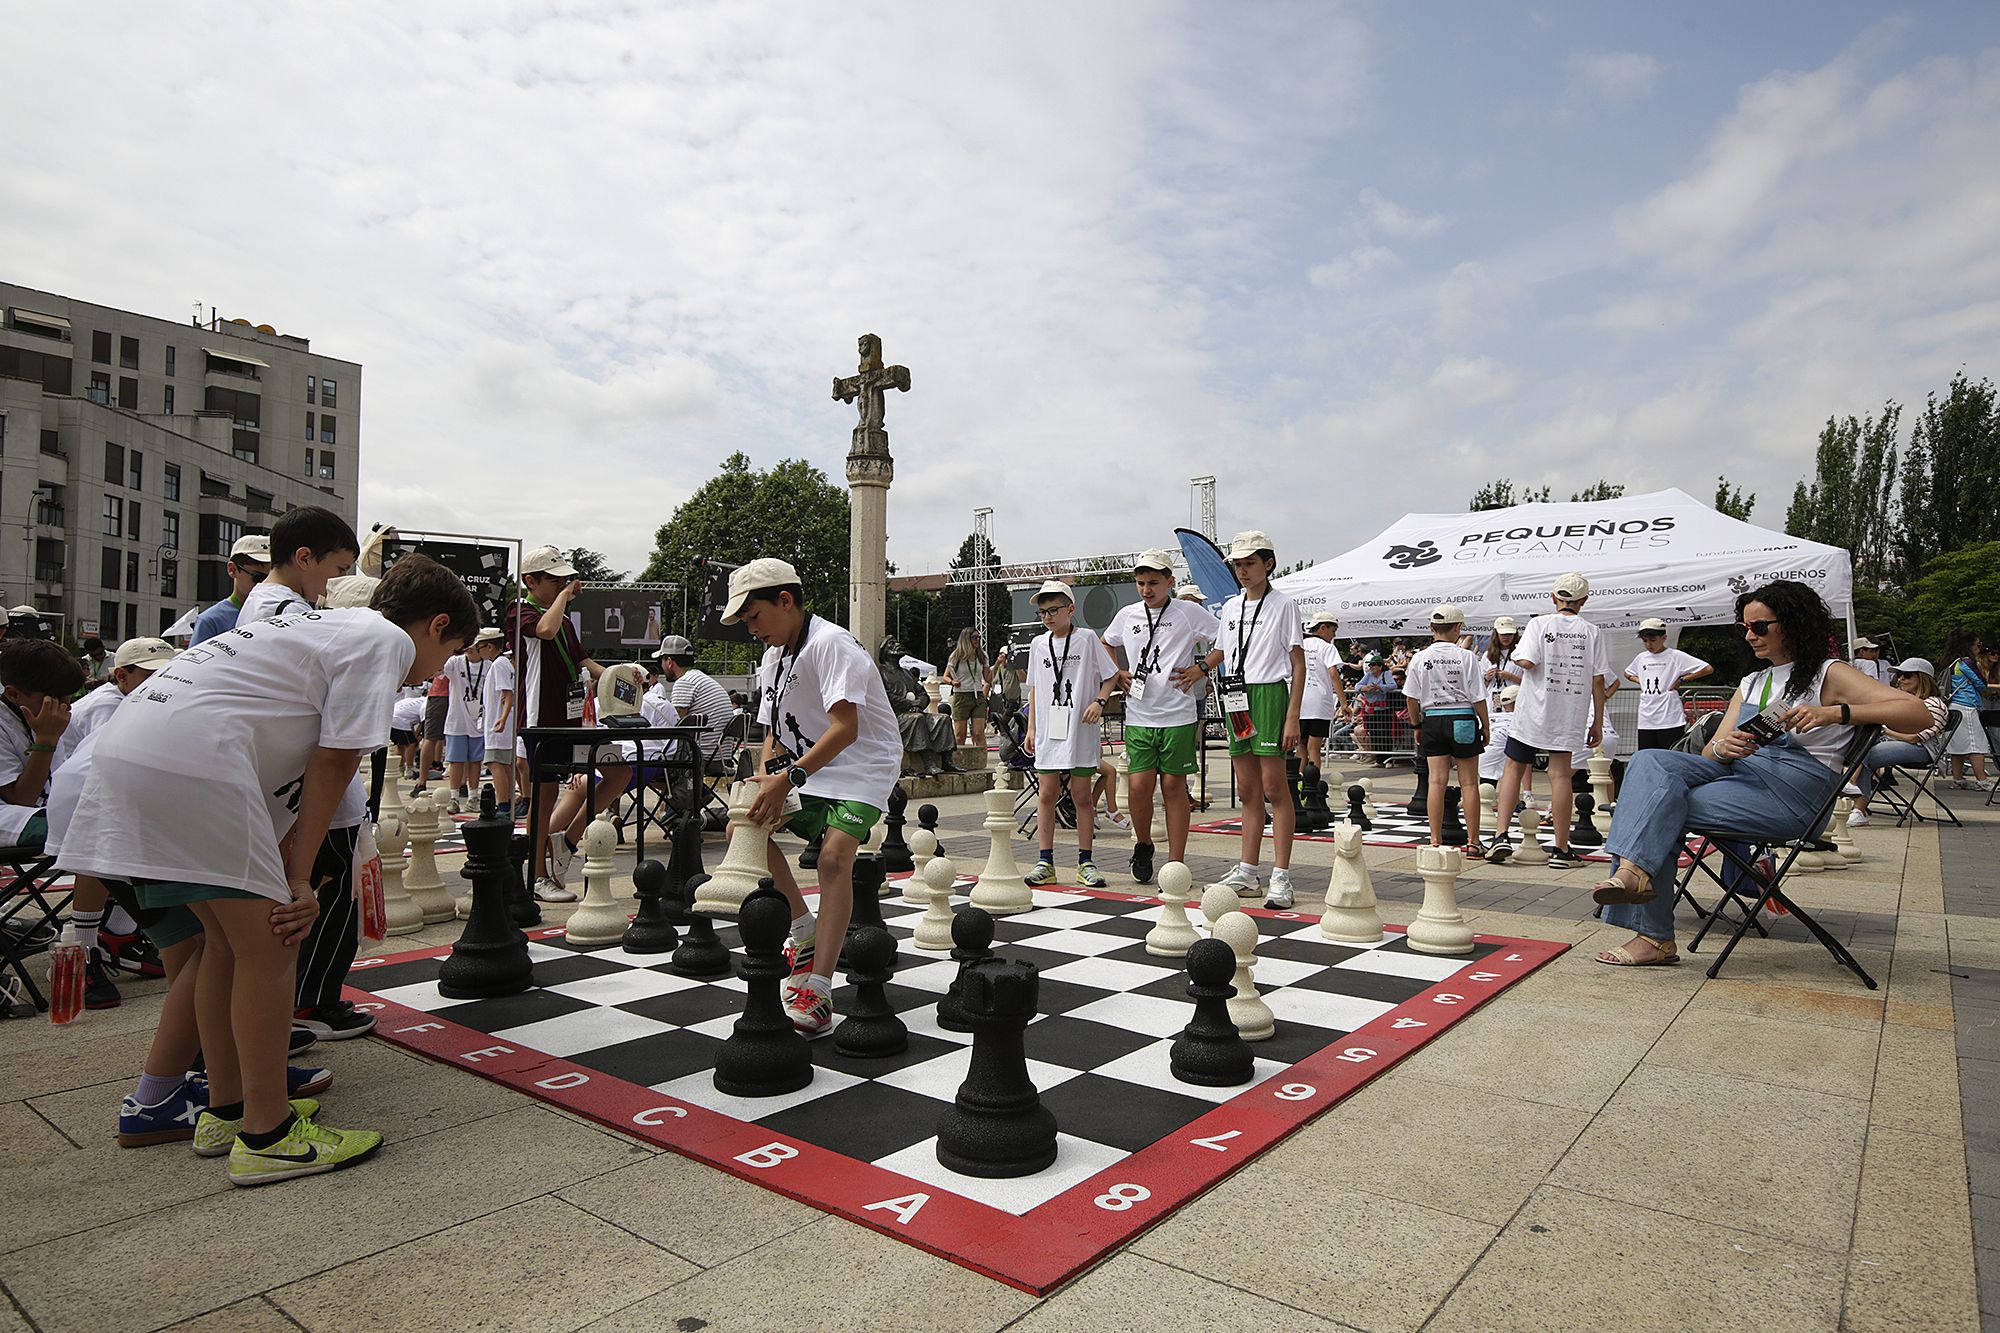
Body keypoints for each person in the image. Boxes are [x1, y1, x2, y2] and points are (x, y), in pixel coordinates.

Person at [63, 554, 476, 1181]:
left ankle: (228, 1107)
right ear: (435, 625)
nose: (433, 672)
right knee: (275, 941)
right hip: (195, 767)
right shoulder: (382, 638)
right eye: (449, 651)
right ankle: (269, 1134)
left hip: (135, 758)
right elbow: (335, 762)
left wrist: (291, 859)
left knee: (224, 948)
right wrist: (301, 877)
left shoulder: (319, 626)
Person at [1590, 578, 1930, 967]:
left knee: (1658, 808)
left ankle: (1650, 926)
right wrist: (1723, 746)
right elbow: (1710, 751)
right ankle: (1635, 874)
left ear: (1793, 624)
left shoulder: (1828, 673)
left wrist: (1833, 712)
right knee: (1648, 762)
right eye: (1744, 628)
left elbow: (1915, 713)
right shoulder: (1753, 681)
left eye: (1760, 627)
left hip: (1793, 794)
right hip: (1738, 776)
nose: (1750, 635)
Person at [727, 559, 899, 1037]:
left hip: (863, 765)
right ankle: (803, 927)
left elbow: (846, 729)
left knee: (833, 859)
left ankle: (819, 989)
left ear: (785, 601)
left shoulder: (831, 644)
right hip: (808, 769)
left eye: (753, 616)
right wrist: (764, 781)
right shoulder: (773, 656)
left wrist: (788, 778)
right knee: (745, 830)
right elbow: (773, 736)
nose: (751, 629)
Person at [49, 637, 178, 1008]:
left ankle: (119, 933)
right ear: (121, 675)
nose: (161, 680)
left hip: (98, 790)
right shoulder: (108, 706)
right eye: (151, 674)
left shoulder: (136, 699)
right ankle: (88, 947)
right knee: (101, 850)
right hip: (74, 794)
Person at [1200, 530, 1305, 908]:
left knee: (1275, 788)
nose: (1243, 571)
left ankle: (1282, 874)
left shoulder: (1283, 605)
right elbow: (1222, 650)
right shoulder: (1230, 606)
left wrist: (1292, 716)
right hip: (1235, 695)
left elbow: (1298, 663)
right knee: (1247, 790)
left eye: (1250, 563)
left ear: (1268, 564)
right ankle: (1247, 869)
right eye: (1238, 565)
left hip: (1268, 694)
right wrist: (1198, 670)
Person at [1103, 551, 1219, 883]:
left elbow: (1224, 638)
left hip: (1178, 714)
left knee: (1173, 786)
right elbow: (1105, 643)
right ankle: (1143, 843)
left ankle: (1176, 862)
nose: (1146, 590)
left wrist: (1201, 668)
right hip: (1140, 714)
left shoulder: (1188, 612)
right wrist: (1117, 672)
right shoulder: (1127, 614)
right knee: (1139, 786)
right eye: (1140, 583)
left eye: (1154, 583)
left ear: (1170, 581)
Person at [506, 545, 614, 898]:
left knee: (620, 772)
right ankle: (536, 876)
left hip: (575, 718)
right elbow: (545, 630)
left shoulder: (566, 620)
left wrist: (622, 676)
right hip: (543, 718)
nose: (562, 586)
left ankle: (566, 840)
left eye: (565, 579)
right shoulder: (520, 610)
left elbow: (584, 663)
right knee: (544, 795)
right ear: (530, 581)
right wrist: (565, 596)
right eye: (554, 580)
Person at [1486, 572, 1607, 870]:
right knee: (1561, 776)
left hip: (1531, 712)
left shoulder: (1540, 623)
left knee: (1513, 767)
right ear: (1583, 601)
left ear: (1554, 598)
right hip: (1568, 713)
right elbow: (1599, 680)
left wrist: (1524, 656)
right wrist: (1598, 722)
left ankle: (1501, 836)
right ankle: (1561, 849)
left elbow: (1525, 661)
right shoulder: (1591, 631)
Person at [1023, 580, 1117, 888]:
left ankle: (1085, 861)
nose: (1048, 617)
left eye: (1053, 610)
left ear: (1070, 610)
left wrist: (1099, 701)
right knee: (1046, 794)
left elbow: (1111, 675)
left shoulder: (1087, 639)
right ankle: (1045, 861)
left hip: (1080, 728)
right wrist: (1032, 727)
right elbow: (1035, 688)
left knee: (1081, 796)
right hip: (1050, 729)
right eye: (1042, 612)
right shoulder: (1038, 644)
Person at [1403, 604, 1490, 856]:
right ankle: (1473, 842)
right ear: (1458, 628)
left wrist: (1416, 724)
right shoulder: (1467, 657)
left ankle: (1435, 840)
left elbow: (1410, 697)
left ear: (1431, 628)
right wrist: (1485, 725)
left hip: (1432, 719)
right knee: (1470, 783)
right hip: (1462, 715)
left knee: (1436, 782)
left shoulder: (1420, 657)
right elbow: (1478, 697)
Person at [1848, 657, 1948, 826]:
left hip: (1922, 750)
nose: (1900, 679)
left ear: (1922, 678)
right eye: (1899, 675)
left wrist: (1884, 730)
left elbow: (1915, 737)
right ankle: (1856, 801)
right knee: (1861, 746)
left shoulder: (1934, 704)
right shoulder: (1902, 703)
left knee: (1865, 753)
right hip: (1896, 743)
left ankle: (1854, 795)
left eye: (1906, 675)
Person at [1625, 619, 1712, 750]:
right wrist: (1640, 680)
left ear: (1664, 638)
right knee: (1647, 754)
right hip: (1646, 718)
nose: (1649, 645)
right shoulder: (1641, 657)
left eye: (1653, 640)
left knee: (1671, 753)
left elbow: (1707, 668)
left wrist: (1682, 680)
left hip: (1670, 717)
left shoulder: (1675, 656)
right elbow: (1627, 673)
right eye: (1645, 641)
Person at [878, 637, 958, 774]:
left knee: (943, 719)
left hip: (914, 711)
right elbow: (886, 696)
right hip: (896, 716)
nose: (897, 644)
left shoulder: (907, 673)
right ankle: (928, 763)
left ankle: (947, 761)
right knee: (917, 719)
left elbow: (923, 694)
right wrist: (910, 704)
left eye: (896, 641)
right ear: (884, 652)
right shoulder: (881, 673)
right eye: (891, 644)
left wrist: (919, 704)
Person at [657, 634, 734, 766]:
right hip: (720, 756)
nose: (661, 666)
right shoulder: (701, 679)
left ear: (669, 662)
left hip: (701, 758)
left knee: (645, 762)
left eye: (662, 661)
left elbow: (675, 724)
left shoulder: (684, 682)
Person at [189, 534, 272, 644]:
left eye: (272, 578)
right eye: (258, 577)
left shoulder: (284, 613)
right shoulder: (211, 621)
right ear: (232, 569)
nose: (265, 584)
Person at [440, 638, 492, 813]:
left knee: (476, 760)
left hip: (478, 720)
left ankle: (473, 796)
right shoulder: (455, 662)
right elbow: (439, 669)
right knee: (456, 760)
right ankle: (453, 797)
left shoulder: (489, 665)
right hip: (457, 719)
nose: (470, 649)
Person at [1940, 630, 1993, 788]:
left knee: (1957, 746)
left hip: (1952, 707)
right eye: (1978, 645)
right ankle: (1982, 780)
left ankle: (1958, 779)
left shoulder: (1951, 662)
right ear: (1969, 646)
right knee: (1976, 745)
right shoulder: (1967, 662)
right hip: (1967, 707)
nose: (1979, 648)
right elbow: (1981, 684)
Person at [1297, 611, 1348, 774]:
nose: (1333, 635)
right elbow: (1333, 673)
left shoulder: (1300, 645)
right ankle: (1312, 785)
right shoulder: (1327, 647)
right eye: (1333, 631)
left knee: (1301, 746)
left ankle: (1298, 781)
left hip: (1299, 702)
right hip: (1319, 703)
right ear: (1323, 628)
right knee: (1314, 748)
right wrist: (1344, 702)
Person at [477, 631, 516, 817]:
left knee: (495, 763)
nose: (478, 652)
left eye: (479, 648)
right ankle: (506, 804)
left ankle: (503, 805)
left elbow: (508, 694)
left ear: (489, 647)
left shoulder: (499, 665)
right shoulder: (502, 664)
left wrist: (503, 717)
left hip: (498, 724)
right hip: (500, 723)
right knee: (503, 764)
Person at [944, 628, 993, 749]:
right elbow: (945, 677)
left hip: (978, 695)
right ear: (966, 639)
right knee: (960, 735)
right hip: (961, 695)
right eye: (974, 637)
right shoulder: (956, 656)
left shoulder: (982, 655)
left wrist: (996, 665)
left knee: (978, 733)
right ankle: (958, 760)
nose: (977, 640)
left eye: (979, 637)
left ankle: (981, 760)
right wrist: (952, 681)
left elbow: (988, 679)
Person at [1482, 616, 1523, 705]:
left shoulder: (1521, 653)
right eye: (1503, 634)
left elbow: (1530, 682)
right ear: (1496, 634)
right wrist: (1487, 678)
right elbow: (1480, 686)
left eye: (1509, 634)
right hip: (1492, 700)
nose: (1506, 637)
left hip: (1515, 700)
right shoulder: (1487, 655)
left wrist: (1510, 677)